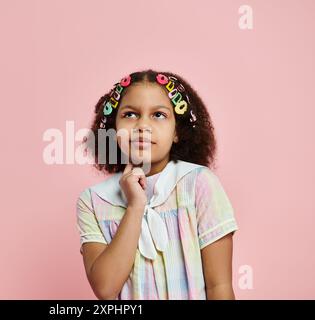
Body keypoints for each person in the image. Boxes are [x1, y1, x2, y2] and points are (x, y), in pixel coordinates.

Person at [76, 69, 239, 300]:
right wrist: (135, 206)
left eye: (159, 115)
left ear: (177, 132)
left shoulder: (199, 184)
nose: (143, 125)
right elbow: (105, 288)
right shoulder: (93, 201)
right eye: (130, 114)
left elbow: (219, 287)